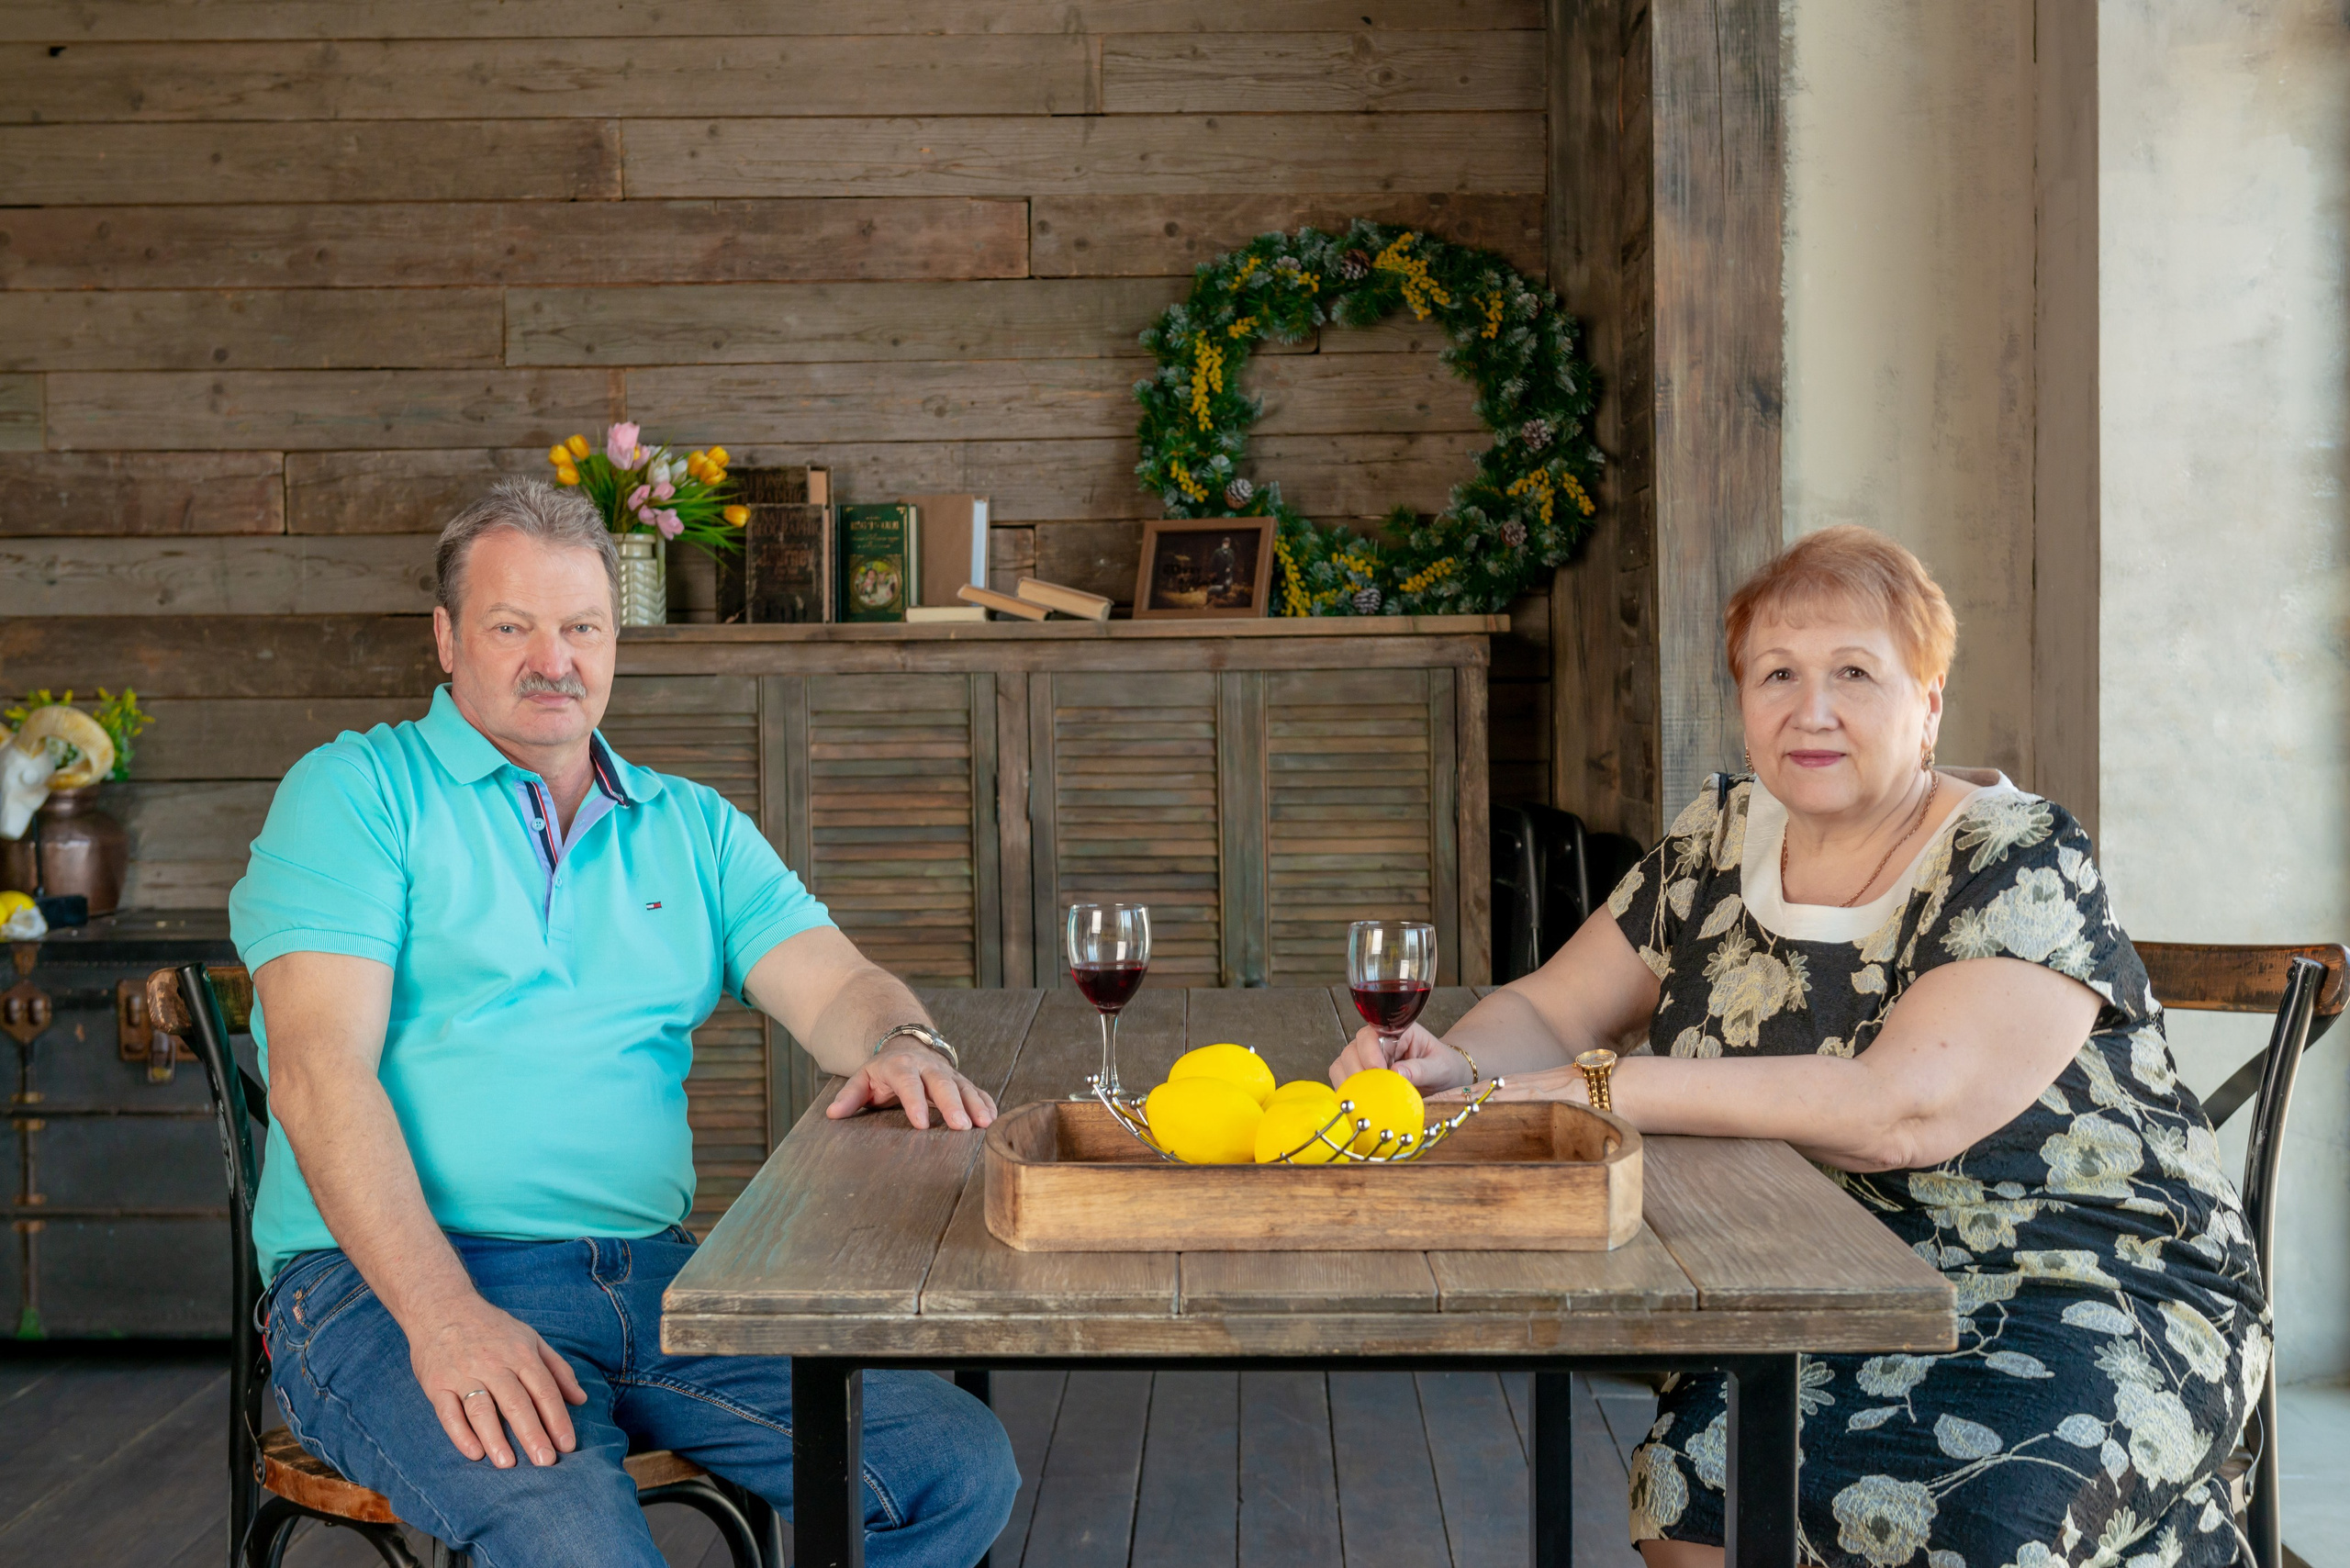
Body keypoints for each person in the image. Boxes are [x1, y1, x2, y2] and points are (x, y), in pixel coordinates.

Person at [1330, 527, 2266, 1566]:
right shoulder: (1719, 836)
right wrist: (1456, 1066)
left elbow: (1894, 1111)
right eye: (1777, 673)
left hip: (2078, 1280)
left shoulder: (2016, 854)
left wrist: (1611, 1084)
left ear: (1929, 703)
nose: (1809, 710)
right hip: (1795, 1278)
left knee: (1983, 1518)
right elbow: (1555, 1010)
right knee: (1694, 1484)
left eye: (1854, 673)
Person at [231, 480, 1018, 1568]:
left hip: (655, 1284)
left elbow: (840, 987)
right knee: (573, 1537)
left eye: (582, 628)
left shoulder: (690, 826)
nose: (553, 660)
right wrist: (447, 1315)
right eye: (512, 627)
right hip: (385, 1284)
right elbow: (320, 1076)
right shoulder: (357, 793)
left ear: (614, 642)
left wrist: (900, 1041)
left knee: (954, 1463)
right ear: (447, 638)